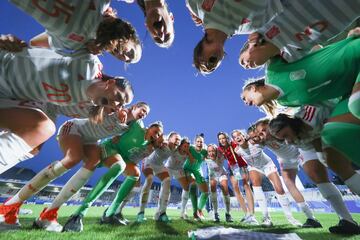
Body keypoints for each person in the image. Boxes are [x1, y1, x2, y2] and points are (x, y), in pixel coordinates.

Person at [0, 102, 148, 231]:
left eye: (146, 113)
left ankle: (48, 215)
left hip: (91, 141)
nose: (144, 114)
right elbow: (105, 104)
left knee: (93, 163)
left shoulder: (130, 127)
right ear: (134, 106)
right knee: (73, 158)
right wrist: (117, 108)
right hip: (74, 129)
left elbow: (140, 133)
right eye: (142, 109)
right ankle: (9, 207)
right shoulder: (117, 107)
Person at [188, 0, 360, 73]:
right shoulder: (251, 27)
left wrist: (192, 11)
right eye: (213, 67)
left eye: (206, 64)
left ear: (200, 52)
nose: (211, 64)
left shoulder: (198, 7)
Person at [268, 105, 360, 234]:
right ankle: (347, 220)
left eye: (286, 135)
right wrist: (321, 156)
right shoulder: (295, 139)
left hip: (329, 130)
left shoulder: (313, 114)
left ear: (291, 123)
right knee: (315, 174)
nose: (287, 142)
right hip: (310, 140)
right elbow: (313, 142)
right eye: (282, 139)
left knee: (342, 167)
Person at [62, 120, 163, 232]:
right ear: (149, 128)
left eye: (158, 135)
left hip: (123, 158)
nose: (156, 135)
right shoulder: (137, 126)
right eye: (155, 131)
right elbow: (120, 122)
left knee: (135, 173)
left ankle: (110, 213)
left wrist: (144, 154)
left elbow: (134, 159)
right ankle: (79, 213)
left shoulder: (148, 148)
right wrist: (117, 134)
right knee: (119, 166)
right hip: (110, 148)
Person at [240, 35, 360, 120]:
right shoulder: (286, 103)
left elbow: (280, 42)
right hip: (354, 83)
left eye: (244, 98)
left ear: (253, 88)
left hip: (351, 54)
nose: (246, 104)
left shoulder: (273, 69)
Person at [10, 0, 142, 63]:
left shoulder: (74, 44)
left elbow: (35, 42)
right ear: (130, 35)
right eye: (131, 53)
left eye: (127, 61)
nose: (125, 57)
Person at [254, 118, 322, 228]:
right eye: (260, 132)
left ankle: (344, 218)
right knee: (289, 183)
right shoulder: (263, 140)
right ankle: (311, 218)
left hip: (299, 152)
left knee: (317, 177)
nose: (263, 133)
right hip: (285, 160)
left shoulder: (280, 130)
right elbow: (251, 142)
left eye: (264, 130)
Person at [232, 129, 301, 227]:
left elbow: (269, 143)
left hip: (267, 164)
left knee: (279, 189)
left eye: (239, 135)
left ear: (244, 136)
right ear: (234, 141)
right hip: (254, 167)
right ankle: (266, 219)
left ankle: (291, 218)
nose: (237, 137)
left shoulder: (256, 143)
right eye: (235, 137)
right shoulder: (237, 150)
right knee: (255, 185)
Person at [136, 132, 181, 223]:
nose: (178, 142)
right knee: (149, 179)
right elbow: (156, 140)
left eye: (179, 140)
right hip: (149, 162)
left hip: (159, 165)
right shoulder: (163, 142)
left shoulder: (175, 149)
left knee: (167, 180)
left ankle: (161, 213)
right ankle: (140, 213)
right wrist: (160, 141)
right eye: (176, 139)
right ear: (169, 139)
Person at [217, 132, 257, 224]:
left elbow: (244, 143)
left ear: (227, 138)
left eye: (223, 138)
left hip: (242, 166)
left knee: (246, 186)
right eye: (220, 139)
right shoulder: (220, 149)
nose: (222, 140)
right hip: (232, 168)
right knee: (236, 189)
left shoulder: (234, 143)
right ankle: (246, 214)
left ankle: (252, 215)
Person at [164, 137, 195, 220]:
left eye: (188, 146)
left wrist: (189, 152)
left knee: (186, 187)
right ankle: (162, 211)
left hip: (178, 169)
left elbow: (192, 161)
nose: (186, 148)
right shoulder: (175, 150)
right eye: (185, 146)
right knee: (166, 189)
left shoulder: (187, 153)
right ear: (180, 146)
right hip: (169, 168)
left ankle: (183, 211)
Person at [182, 134, 209, 221]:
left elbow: (210, 157)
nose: (199, 143)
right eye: (198, 141)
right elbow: (182, 148)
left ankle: (199, 210)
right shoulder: (191, 148)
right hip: (188, 169)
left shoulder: (204, 152)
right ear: (194, 142)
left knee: (205, 192)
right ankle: (194, 213)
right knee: (193, 184)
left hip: (197, 170)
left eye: (201, 142)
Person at [205, 144, 233, 223]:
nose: (211, 153)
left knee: (225, 189)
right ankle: (215, 213)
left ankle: (228, 214)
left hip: (222, 174)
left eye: (213, 151)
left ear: (216, 151)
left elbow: (227, 152)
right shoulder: (206, 157)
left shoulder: (221, 156)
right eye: (209, 151)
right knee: (212, 189)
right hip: (213, 176)